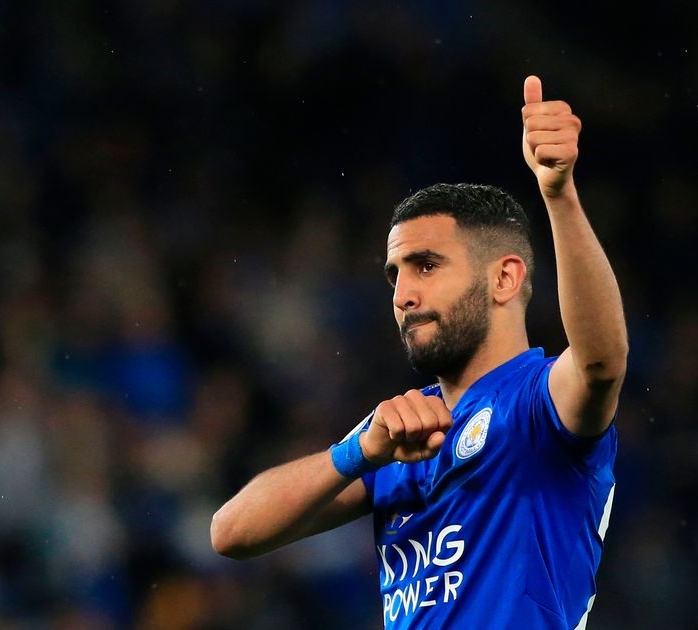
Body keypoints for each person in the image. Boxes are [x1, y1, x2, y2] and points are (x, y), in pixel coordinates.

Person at [210, 75, 627, 629]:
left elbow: (600, 361)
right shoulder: (398, 435)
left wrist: (560, 195)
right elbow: (231, 534)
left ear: (504, 279)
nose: (402, 295)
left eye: (426, 266)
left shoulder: (537, 403)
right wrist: (358, 452)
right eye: (395, 275)